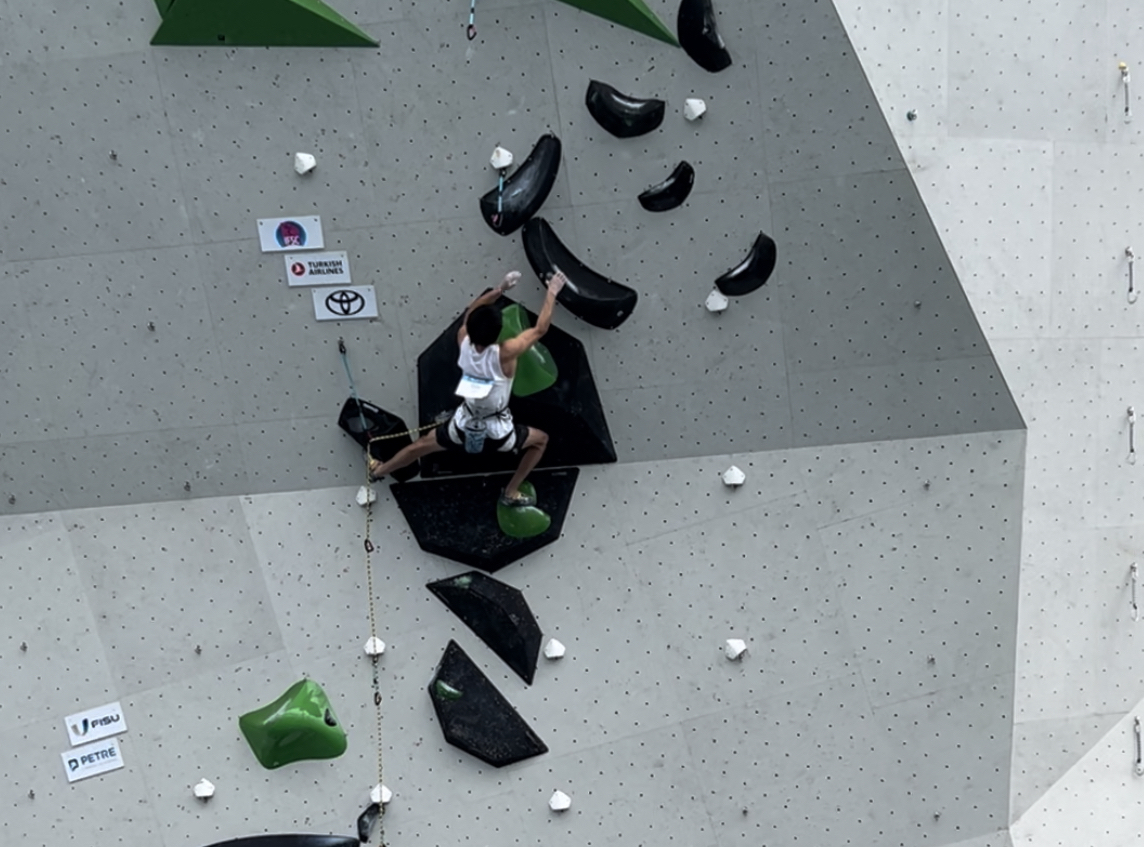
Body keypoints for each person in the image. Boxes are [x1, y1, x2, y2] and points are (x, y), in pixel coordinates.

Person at [367, 269, 567, 507]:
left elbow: (470, 312)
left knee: (418, 447)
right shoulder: (505, 354)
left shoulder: (463, 340)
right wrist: (552, 291)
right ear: (498, 335)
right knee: (541, 441)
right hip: (498, 432)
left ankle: (379, 471)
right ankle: (511, 490)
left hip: (462, 425)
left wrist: (500, 288)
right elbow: (540, 329)